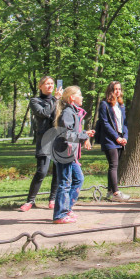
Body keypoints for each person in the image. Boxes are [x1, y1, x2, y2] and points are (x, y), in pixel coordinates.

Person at [52, 86, 94, 224]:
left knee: (78, 179)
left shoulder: (74, 112)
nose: (82, 97)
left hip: (71, 154)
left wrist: (84, 136)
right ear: (72, 98)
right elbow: (67, 135)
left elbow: (73, 132)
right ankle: (59, 215)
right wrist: (83, 136)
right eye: (80, 95)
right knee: (65, 183)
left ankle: (67, 208)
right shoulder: (68, 113)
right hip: (64, 153)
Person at [20, 76, 61, 212]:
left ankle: (53, 199)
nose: (50, 86)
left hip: (58, 139)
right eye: (47, 84)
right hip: (44, 140)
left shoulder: (59, 101)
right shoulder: (35, 101)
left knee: (57, 171)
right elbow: (44, 113)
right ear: (40, 86)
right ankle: (30, 200)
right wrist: (55, 100)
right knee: (41, 171)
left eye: (52, 84)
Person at [97, 81, 130, 202]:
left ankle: (110, 191)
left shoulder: (121, 105)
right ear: (110, 90)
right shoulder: (104, 104)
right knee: (113, 164)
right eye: (115, 89)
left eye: (119, 89)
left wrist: (125, 136)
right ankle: (116, 193)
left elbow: (124, 123)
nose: (118, 91)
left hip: (120, 138)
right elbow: (105, 123)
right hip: (109, 139)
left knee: (115, 165)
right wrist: (116, 137)